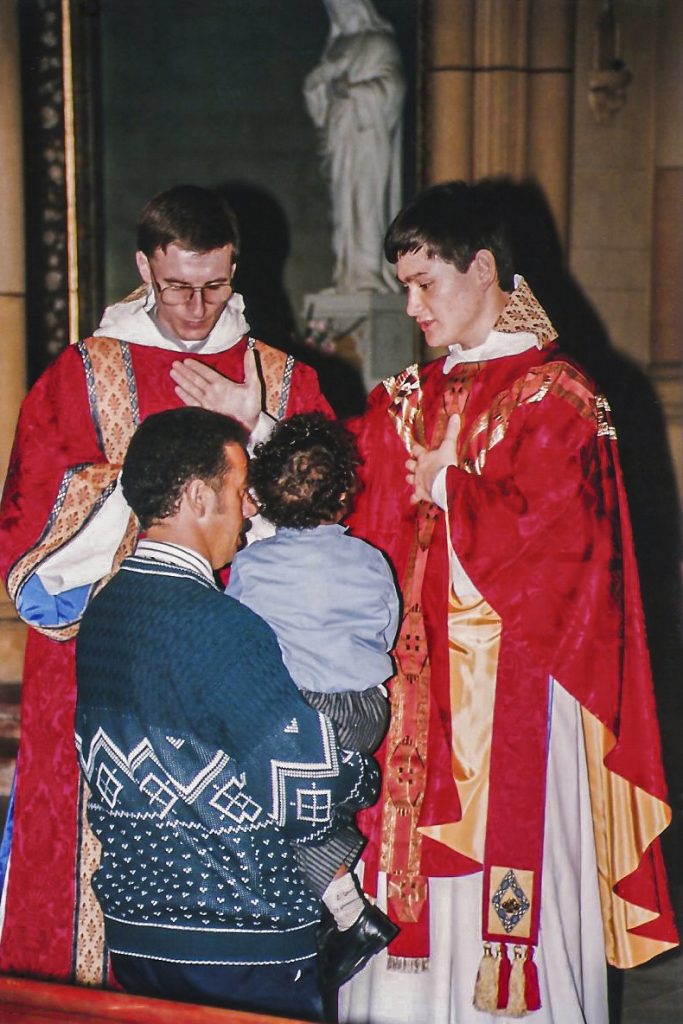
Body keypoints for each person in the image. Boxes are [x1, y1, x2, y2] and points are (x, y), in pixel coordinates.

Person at [333, 181, 679, 1024]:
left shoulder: (558, 395)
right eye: (404, 286)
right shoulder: (406, 398)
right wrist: (265, 432)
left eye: (425, 283)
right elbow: (336, 487)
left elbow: (566, 556)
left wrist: (455, 488)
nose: (411, 305)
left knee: (507, 886)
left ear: (482, 268)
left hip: (515, 696)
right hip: (413, 700)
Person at [0, 184, 332, 985]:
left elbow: (343, 505)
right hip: (111, 669)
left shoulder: (280, 378)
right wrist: (147, 482)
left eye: (214, 285)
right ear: (145, 264)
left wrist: (260, 427)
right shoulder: (83, 376)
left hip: (249, 678)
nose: (195, 307)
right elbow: (23, 531)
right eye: (178, 284)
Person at [74, 407, 379, 1020]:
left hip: (136, 935)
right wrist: (362, 773)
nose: (252, 511)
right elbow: (302, 795)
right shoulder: (223, 626)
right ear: (196, 496)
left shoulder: (105, 611)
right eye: (240, 493)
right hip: (240, 942)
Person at [226, 412, 400, 989]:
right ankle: (333, 910)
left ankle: (348, 914)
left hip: (299, 715)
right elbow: (386, 629)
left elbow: (243, 638)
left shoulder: (251, 563)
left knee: (276, 813)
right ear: (345, 494)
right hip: (366, 711)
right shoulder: (372, 560)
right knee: (318, 809)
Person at [303, 0, 405, 293]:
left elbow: (393, 87)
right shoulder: (336, 47)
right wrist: (318, 85)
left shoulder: (378, 43)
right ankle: (347, 274)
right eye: (335, 10)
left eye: (344, 7)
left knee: (366, 202)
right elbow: (320, 99)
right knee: (343, 210)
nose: (340, 14)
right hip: (341, 137)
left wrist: (354, 91)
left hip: (369, 136)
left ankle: (368, 273)